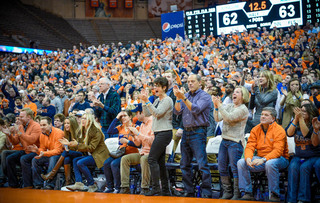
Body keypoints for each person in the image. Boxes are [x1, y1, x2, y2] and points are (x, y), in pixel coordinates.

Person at [237, 107, 289, 202]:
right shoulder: (255, 129)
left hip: (280, 159)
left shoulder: (279, 130)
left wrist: (263, 159)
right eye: (262, 114)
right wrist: (248, 158)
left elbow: (278, 151)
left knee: (270, 163)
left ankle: (274, 194)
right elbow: (250, 146)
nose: (263, 117)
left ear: (273, 118)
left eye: (266, 115)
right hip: (261, 158)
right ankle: (247, 192)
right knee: (241, 162)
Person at [173, 74, 212, 198]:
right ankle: (189, 190)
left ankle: (206, 191)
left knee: (202, 163)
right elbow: (177, 111)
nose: (190, 83)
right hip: (186, 132)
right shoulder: (187, 95)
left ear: (200, 83)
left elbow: (195, 109)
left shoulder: (204, 96)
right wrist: (178, 98)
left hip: (198, 131)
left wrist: (183, 97)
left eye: (193, 81)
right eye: (188, 81)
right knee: (184, 164)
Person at [212, 86, 249, 200]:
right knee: (221, 167)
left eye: (237, 92)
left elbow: (229, 118)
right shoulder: (228, 106)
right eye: (234, 92)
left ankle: (237, 193)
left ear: (243, 96)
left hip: (235, 142)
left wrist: (220, 105)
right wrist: (215, 106)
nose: (234, 94)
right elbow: (217, 119)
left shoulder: (243, 109)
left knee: (234, 168)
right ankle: (227, 192)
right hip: (224, 140)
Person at [139, 77, 173, 196]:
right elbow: (148, 113)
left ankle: (155, 188)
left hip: (165, 132)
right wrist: (144, 101)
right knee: (160, 162)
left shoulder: (167, 100)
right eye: (155, 85)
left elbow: (157, 113)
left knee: (151, 159)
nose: (155, 88)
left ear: (164, 87)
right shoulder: (158, 100)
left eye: (158, 86)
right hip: (159, 132)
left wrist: (147, 101)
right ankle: (165, 189)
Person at [66, 109, 109, 192]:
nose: (82, 120)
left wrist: (77, 145)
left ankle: (92, 184)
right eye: (82, 118)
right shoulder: (83, 130)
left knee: (80, 162)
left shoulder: (96, 131)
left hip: (99, 156)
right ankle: (79, 183)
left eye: (85, 118)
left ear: (90, 120)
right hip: (91, 155)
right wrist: (69, 144)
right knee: (75, 160)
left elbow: (91, 147)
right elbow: (79, 145)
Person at [286, 104, 320, 203]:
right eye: (301, 110)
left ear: (311, 113)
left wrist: (300, 118)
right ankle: (291, 199)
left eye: (304, 111)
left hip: (313, 156)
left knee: (304, 167)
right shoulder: (297, 121)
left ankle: (303, 199)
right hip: (299, 155)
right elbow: (289, 133)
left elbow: (307, 135)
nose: (301, 113)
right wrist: (296, 119)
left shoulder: (315, 123)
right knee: (292, 167)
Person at [119, 104, 154, 195]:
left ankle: (145, 187)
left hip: (153, 153)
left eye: (137, 113)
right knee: (125, 159)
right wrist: (134, 135)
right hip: (143, 152)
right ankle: (125, 186)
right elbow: (138, 144)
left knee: (144, 159)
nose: (135, 116)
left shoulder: (153, 123)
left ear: (142, 113)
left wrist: (138, 134)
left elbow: (151, 141)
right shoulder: (142, 125)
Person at [3, 108, 41, 188]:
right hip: (26, 150)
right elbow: (15, 142)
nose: (19, 118)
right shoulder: (20, 126)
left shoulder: (36, 126)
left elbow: (32, 140)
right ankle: (13, 184)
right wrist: (9, 134)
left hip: (35, 151)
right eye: (19, 116)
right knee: (10, 158)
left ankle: (28, 185)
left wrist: (19, 133)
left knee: (23, 159)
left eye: (21, 117)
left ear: (29, 117)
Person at [103, 110, 139, 194]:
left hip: (131, 153)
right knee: (106, 163)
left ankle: (118, 187)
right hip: (121, 153)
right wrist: (116, 118)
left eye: (125, 116)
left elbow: (138, 144)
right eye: (121, 116)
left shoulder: (136, 127)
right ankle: (109, 187)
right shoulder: (120, 127)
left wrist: (127, 141)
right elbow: (109, 131)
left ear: (130, 117)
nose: (123, 118)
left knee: (114, 164)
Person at [41, 116, 83, 186]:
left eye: (68, 123)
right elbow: (68, 149)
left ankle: (52, 173)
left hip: (81, 153)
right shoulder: (66, 134)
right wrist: (66, 146)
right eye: (65, 123)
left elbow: (80, 147)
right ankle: (67, 182)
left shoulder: (78, 133)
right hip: (70, 154)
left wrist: (69, 145)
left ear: (72, 124)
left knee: (65, 152)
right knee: (66, 158)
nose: (66, 125)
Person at [28, 116, 64, 189]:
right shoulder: (42, 134)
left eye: (44, 125)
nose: (42, 127)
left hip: (60, 156)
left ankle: (50, 184)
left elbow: (58, 151)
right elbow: (43, 148)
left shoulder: (59, 132)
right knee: (35, 160)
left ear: (50, 124)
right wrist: (37, 150)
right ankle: (38, 184)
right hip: (50, 154)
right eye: (41, 125)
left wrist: (43, 153)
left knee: (53, 159)